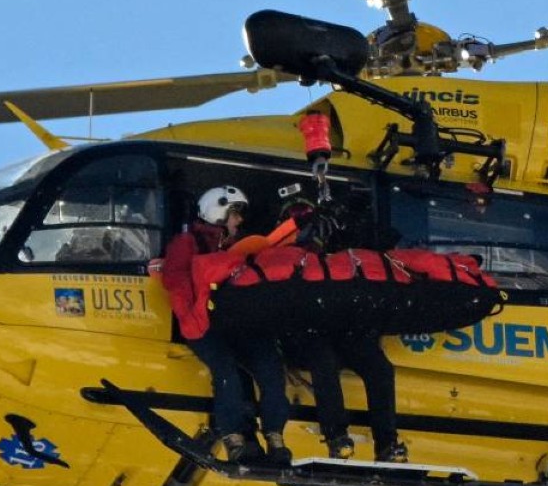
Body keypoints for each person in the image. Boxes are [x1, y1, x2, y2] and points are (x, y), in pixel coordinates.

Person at [160, 185, 292, 466]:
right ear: (217, 213)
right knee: (226, 373)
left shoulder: (239, 246)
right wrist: (193, 316)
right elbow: (175, 281)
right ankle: (234, 438)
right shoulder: (187, 243)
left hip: (237, 323)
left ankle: (275, 436)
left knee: (270, 369)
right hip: (203, 326)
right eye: (235, 214)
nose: (239, 221)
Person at [278, 199, 408, 463]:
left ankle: (387, 442)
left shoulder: (344, 250)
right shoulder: (282, 254)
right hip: (305, 332)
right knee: (324, 362)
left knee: (380, 368)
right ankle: (336, 436)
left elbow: (378, 250)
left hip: (344, 329)